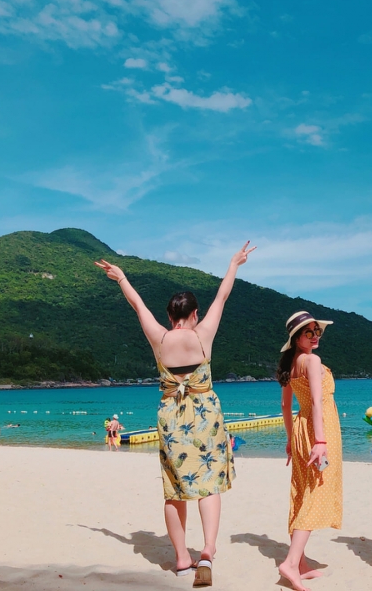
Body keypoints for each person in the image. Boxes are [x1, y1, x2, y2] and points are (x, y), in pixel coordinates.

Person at [95, 240, 255, 586]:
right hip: (205, 414)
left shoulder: (160, 338)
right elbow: (223, 296)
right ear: (195, 314)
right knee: (208, 484)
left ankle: (182, 560)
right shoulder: (204, 334)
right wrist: (234, 264)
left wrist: (121, 278)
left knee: (174, 489)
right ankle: (207, 551)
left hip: (171, 416)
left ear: (170, 317)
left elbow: (138, 305)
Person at [276, 311, 342, 591]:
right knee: (316, 493)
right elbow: (316, 401)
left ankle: (301, 563)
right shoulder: (311, 361)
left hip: (301, 429)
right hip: (319, 431)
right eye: (309, 332)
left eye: (317, 331)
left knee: (302, 492)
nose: (315, 336)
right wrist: (321, 441)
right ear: (296, 338)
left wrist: (291, 439)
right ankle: (291, 562)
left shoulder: (292, 363)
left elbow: (285, 405)